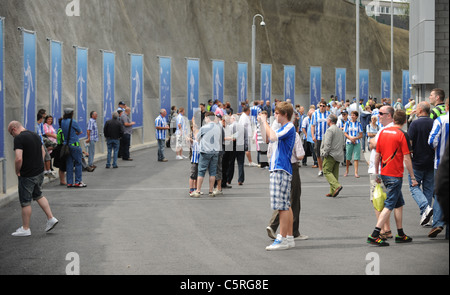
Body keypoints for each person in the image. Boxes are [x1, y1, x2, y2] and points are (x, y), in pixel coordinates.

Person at [367, 110, 418, 246]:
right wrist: (412, 177)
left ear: (393, 119)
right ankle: (375, 234)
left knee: (399, 203)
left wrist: (377, 172)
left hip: (384, 172)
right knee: (389, 205)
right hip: (395, 174)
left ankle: (400, 233)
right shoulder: (402, 134)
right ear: (405, 121)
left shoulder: (383, 132)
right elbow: (407, 158)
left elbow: (377, 154)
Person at [8, 121, 59, 237]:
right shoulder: (35, 135)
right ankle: (51, 218)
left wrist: (17, 171)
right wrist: (38, 165)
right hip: (38, 172)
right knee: (38, 195)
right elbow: (42, 152)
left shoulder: (19, 139)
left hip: (27, 174)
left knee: (25, 202)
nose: (13, 136)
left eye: (11, 134)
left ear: (14, 129)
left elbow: (18, 158)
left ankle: (26, 228)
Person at [259, 102, 297, 251]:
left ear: (285, 114)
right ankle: (288, 238)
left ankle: (281, 239)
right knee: (285, 205)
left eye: (277, 113)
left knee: (282, 206)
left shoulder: (289, 127)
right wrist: (263, 124)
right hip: (280, 168)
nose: (275, 115)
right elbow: (266, 137)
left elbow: (273, 137)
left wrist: (264, 121)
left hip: (281, 168)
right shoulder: (283, 127)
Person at [267, 130, 307, 241]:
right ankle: (292, 232)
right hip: (290, 166)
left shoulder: (274, 133)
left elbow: (269, 153)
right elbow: (300, 155)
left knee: (282, 198)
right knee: (293, 198)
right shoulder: (293, 134)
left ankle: (273, 225)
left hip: (276, 166)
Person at [407, 102, 435, 227]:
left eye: (416, 108)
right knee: (428, 188)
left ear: (420, 110)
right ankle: (426, 218)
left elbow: (410, 143)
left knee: (414, 187)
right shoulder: (434, 122)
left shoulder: (415, 124)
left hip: (417, 161)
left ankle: (425, 208)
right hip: (431, 161)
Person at [428, 98, 449, 238]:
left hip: (442, 163)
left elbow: (432, 140)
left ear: (447, 106)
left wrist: (438, 149)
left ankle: (437, 223)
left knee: (439, 192)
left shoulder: (441, 120)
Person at [190, 112, 222, 198]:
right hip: (215, 151)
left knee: (201, 172)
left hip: (205, 151)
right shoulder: (218, 127)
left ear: (207, 118)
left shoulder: (204, 128)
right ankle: (211, 191)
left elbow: (197, 138)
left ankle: (198, 191)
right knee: (213, 172)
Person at [321, 114, 345, 198]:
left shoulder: (329, 130)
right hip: (339, 154)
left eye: (327, 119)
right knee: (334, 173)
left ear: (330, 121)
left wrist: (324, 153)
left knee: (326, 170)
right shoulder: (339, 130)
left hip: (331, 154)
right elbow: (343, 143)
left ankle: (336, 186)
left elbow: (327, 143)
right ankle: (332, 191)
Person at [61, 108, 86, 188]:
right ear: (71, 113)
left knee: (69, 163)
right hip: (74, 144)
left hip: (66, 145)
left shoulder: (62, 121)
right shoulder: (73, 121)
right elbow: (80, 131)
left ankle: (69, 182)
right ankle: (78, 181)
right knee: (78, 163)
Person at [311, 101, 330, 176]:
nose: (322, 107)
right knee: (318, 153)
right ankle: (320, 169)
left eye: (323, 106)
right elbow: (312, 125)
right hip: (318, 136)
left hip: (326, 137)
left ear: (326, 107)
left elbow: (331, 125)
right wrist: (313, 135)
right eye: (320, 106)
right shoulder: (315, 114)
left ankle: (326, 168)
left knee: (326, 154)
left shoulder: (328, 114)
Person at [344, 111, 363, 178]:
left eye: (354, 115)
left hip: (356, 142)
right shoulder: (347, 123)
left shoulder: (359, 124)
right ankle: (347, 170)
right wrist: (350, 138)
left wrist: (356, 138)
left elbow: (361, 135)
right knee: (348, 157)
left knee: (356, 158)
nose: (352, 116)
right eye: (351, 115)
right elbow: (345, 133)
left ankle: (356, 172)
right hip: (349, 141)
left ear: (356, 116)